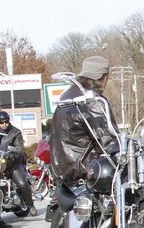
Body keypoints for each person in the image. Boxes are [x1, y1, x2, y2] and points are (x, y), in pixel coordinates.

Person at [51, 56, 119, 185]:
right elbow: (107, 141)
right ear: (104, 78)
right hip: (86, 171)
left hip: (62, 172)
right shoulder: (92, 101)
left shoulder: (65, 98)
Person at [0, 110, 37, 216]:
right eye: (1, 122)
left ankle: (30, 204)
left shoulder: (15, 132)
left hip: (13, 164)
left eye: (6, 122)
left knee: (23, 184)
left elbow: (19, 149)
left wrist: (11, 154)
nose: (4, 124)